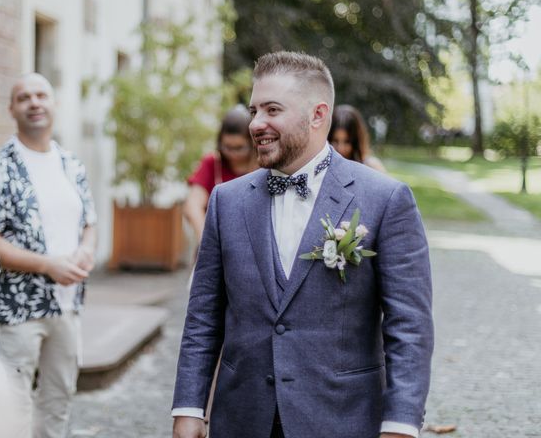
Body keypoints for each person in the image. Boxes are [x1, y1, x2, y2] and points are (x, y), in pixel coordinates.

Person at [172, 51, 433, 438]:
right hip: (242, 418)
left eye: (272, 110)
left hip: (343, 418)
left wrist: (400, 424)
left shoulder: (384, 199)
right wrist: (189, 406)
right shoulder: (227, 201)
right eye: (253, 110)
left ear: (317, 115)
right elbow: (204, 316)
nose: (256, 124)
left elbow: (409, 325)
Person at [0, 73, 97, 438]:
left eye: (41, 95)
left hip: (67, 306)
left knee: (59, 401)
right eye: (24, 97)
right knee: (13, 409)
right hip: (18, 311)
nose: (34, 103)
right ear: (12, 109)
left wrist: (86, 251)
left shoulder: (72, 164)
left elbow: (90, 223)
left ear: (55, 104)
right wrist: (48, 265)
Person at [184, 105, 258, 244]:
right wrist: (206, 242)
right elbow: (192, 205)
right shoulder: (212, 163)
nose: (233, 153)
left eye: (239, 148)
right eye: (227, 147)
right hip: (216, 243)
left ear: (252, 143)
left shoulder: (262, 166)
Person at [328, 104, 386, 172]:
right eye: (335, 141)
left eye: (347, 141)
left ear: (356, 142)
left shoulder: (371, 167)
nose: (340, 148)